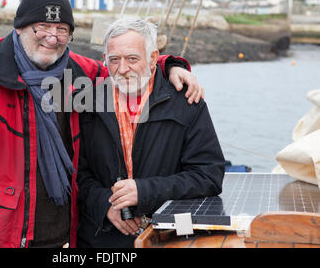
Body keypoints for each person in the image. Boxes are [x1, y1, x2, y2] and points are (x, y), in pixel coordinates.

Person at [0, 0, 203, 248]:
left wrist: (170, 66)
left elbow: (126, 68)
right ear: (21, 27)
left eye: (62, 29)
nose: (52, 37)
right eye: (43, 26)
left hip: (58, 238)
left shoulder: (79, 72)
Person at [76, 18, 225, 248]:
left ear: (153, 58)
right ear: (104, 60)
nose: (123, 69)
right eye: (114, 60)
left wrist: (144, 191)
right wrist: (105, 206)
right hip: (102, 238)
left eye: (132, 59)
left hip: (167, 237)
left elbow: (209, 176)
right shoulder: (88, 104)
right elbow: (78, 174)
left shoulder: (187, 102)